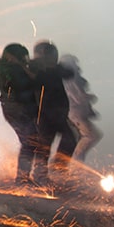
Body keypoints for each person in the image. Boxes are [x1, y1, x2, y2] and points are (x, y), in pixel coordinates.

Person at [0, 43, 40, 185]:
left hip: (17, 108)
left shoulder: (8, 69)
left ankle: (24, 177)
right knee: (29, 141)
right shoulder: (9, 70)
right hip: (16, 109)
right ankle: (22, 178)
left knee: (30, 141)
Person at [29, 40, 77, 180]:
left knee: (69, 141)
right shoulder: (35, 70)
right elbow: (37, 81)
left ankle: (59, 170)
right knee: (44, 145)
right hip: (43, 114)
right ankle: (40, 174)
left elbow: (68, 73)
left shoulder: (55, 69)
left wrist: (52, 67)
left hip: (59, 114)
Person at [60, 53, 103, 163]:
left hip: (77, 114)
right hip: (75, 114)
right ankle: (75, 162)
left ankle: (76, 164)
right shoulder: (69, 80)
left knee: (83, 138)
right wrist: (90, 97)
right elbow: (78, 98)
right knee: (91, 136)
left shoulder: (71, 78)